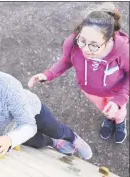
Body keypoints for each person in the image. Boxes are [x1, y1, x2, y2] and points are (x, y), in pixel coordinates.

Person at [28, 3, 129, 144]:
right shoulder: (73, 43)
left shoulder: (122, 51)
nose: (85, 49)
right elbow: (66, 61)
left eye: (94, 45)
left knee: (119, 112)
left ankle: (119, 122)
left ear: (109, 40)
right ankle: (108, 118)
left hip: (116, 92)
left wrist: (118, 102)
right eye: (82, 41)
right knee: (104, 109)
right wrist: (48, 74)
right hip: (91, 91)